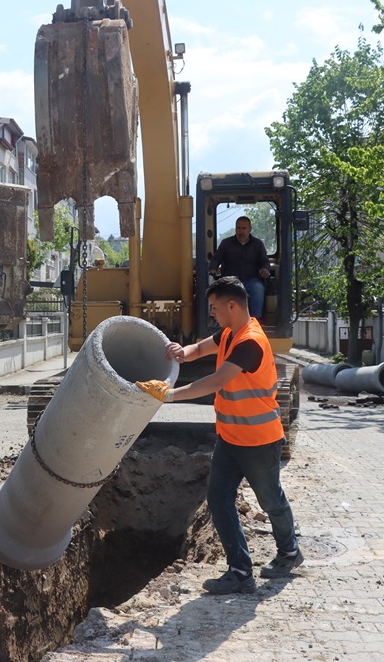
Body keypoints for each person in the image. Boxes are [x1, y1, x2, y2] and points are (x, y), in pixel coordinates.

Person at [136, 276, 303, 595]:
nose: (211, 313)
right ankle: (240, 571)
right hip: (230, 438)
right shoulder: (229, 332)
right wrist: (180, 352)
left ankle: (290, 552)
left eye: (214, 307)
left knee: (270, 500)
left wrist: (168, 395)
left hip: (259, 441)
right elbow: (202, 347)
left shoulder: (250, 342)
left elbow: (216, 381)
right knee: (218, 500)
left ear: (232, 306)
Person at [208, 215, 271, 320]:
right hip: (230, 280)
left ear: (250, 229)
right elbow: (216, 259)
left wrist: (265, 269)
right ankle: (226, 322)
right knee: (223, 293)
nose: (241, 231)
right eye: (238, 228)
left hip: (252, 279)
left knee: (258, 289)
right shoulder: (226, 243)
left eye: (244, 228)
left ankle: (255, 322)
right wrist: (212, 270)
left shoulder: (258, 244)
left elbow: (265, 261)